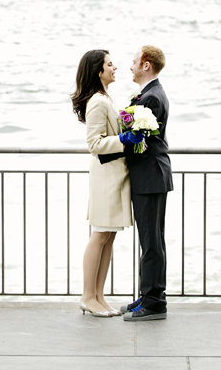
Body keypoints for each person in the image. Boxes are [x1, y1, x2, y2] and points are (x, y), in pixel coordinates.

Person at [71, 49, 143, 318]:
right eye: (110, 64)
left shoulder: (105, 98)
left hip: (114, 176)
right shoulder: (98, 102)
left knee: (108, 237)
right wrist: (123, 141)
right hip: (105, 177)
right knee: (99, 235)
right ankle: (88, 296)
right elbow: (94, 144)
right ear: (98, 71)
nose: (115, 68)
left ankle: (99, 296)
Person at [121, 45, 172, 322]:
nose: (130, 66)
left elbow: (142, 141)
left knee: (151, 241)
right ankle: (149, 294)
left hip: (151, 176)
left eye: (134, 62)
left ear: (146, 65)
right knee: (149, 240)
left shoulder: (151, 98)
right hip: (150, 176)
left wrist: (116, 142)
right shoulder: (149, 94)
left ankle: (154, 302)